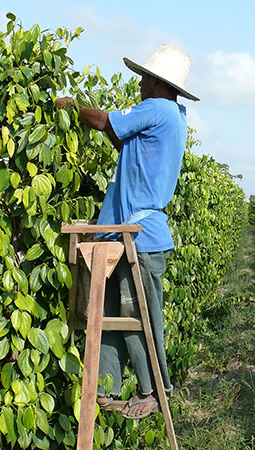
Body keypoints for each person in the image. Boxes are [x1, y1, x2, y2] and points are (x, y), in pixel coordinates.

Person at [57, 44, 199, 420]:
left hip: (139, 236)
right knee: (107, 312)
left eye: (143, 77)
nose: (139, 83)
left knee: (139, 314)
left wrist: (72, 108)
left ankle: (154, 390)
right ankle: (109, 385)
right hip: (122, 232)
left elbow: (105, 122)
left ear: (157, 82)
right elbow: (119, 138)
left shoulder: (157, 108)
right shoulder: (171, 117)